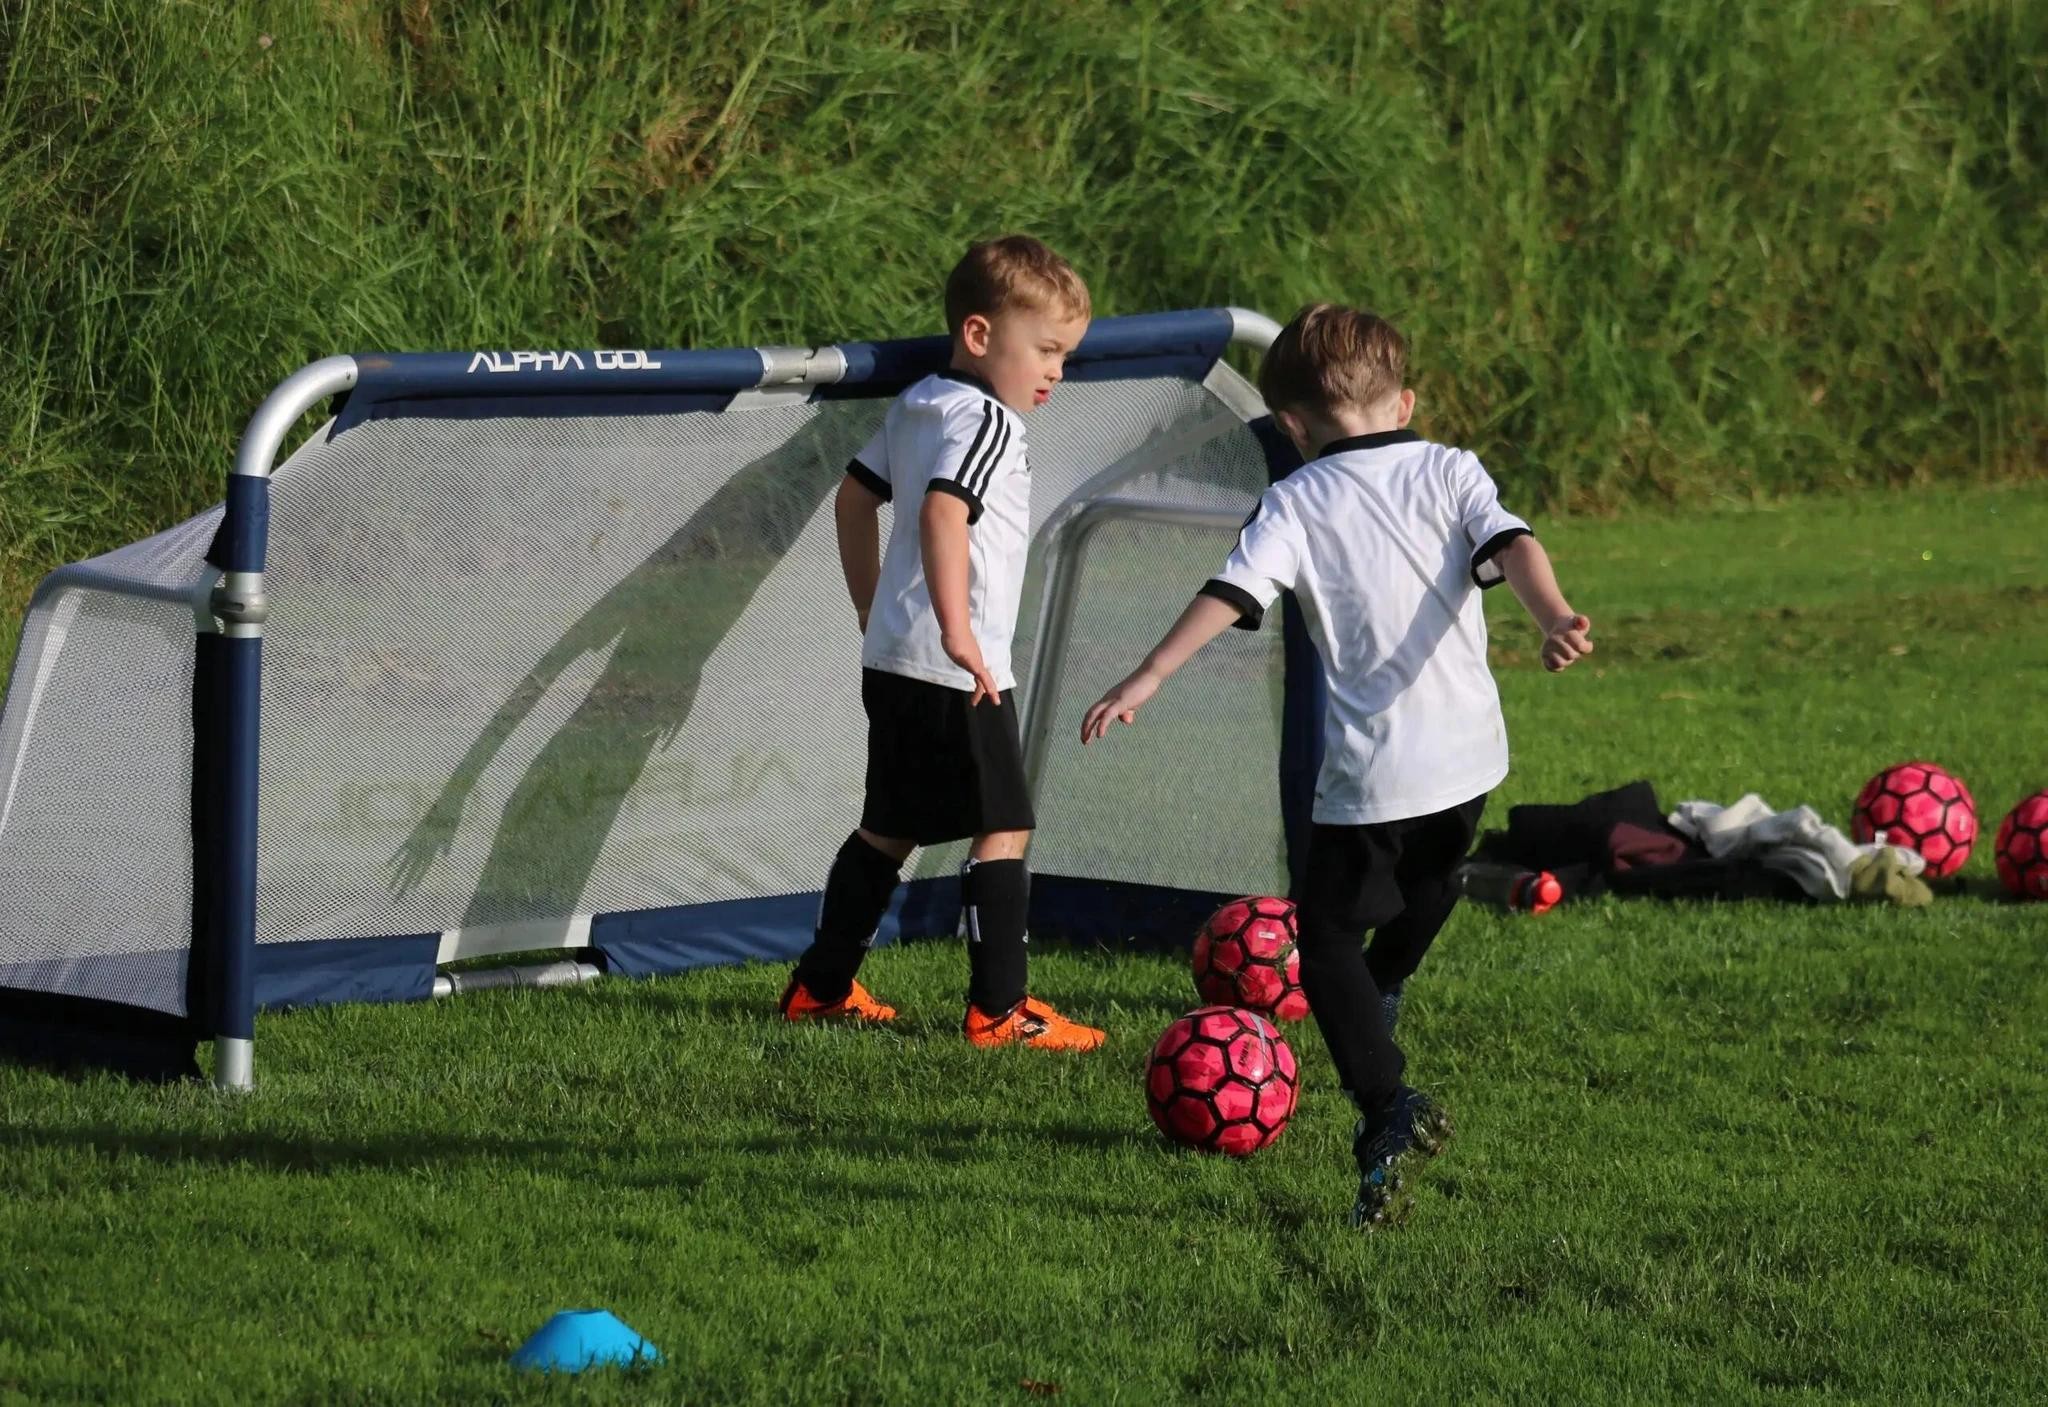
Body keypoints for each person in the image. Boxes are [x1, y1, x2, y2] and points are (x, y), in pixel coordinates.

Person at [1080, 303, 1594, 1223]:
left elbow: (1231, 591)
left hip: (1375, 773)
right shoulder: (1451, 467)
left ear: (1291, 424)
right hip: (1473, 754)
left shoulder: (1297, 499)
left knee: (1322, 945)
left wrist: (1147, 675)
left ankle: (1387, 1105)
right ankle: (1386, 987)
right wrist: (1553, 616)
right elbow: (1512, 544)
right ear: (1405, 400)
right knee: (1431, 880)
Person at [780, 235, 1106, 1051]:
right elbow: (940, 512)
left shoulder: (920, 402)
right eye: (1048, 350)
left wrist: (870, 608)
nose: (1056, 373)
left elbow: (854, 503)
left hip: (893, 657)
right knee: (1005, 826)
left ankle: (820, 987)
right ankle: (1000, 1011)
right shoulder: (990, 421)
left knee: (889, 825)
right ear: (980, 335)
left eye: (1066, 355)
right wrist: (961, 635)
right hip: (957, 667)